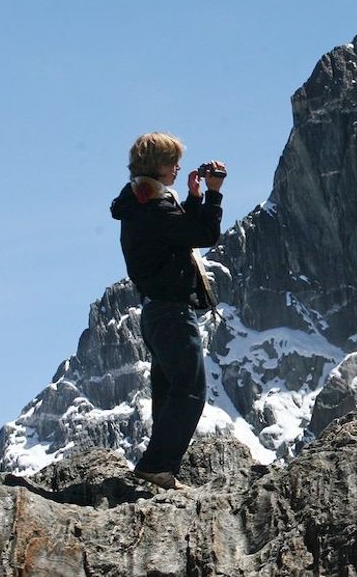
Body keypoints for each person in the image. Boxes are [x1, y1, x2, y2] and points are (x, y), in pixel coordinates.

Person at [110, 132, 226, 490]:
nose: (178, 166)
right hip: (172, 312)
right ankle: (156, 465)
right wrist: (214, 193)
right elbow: (203, 235)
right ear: (158, 166)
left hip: (155, 312)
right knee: (190, 390)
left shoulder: (140, 204)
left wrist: (192, 198)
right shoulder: (155, 207)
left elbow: (178, 235)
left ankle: (160, 471)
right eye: (172, 161)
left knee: (169, 390)